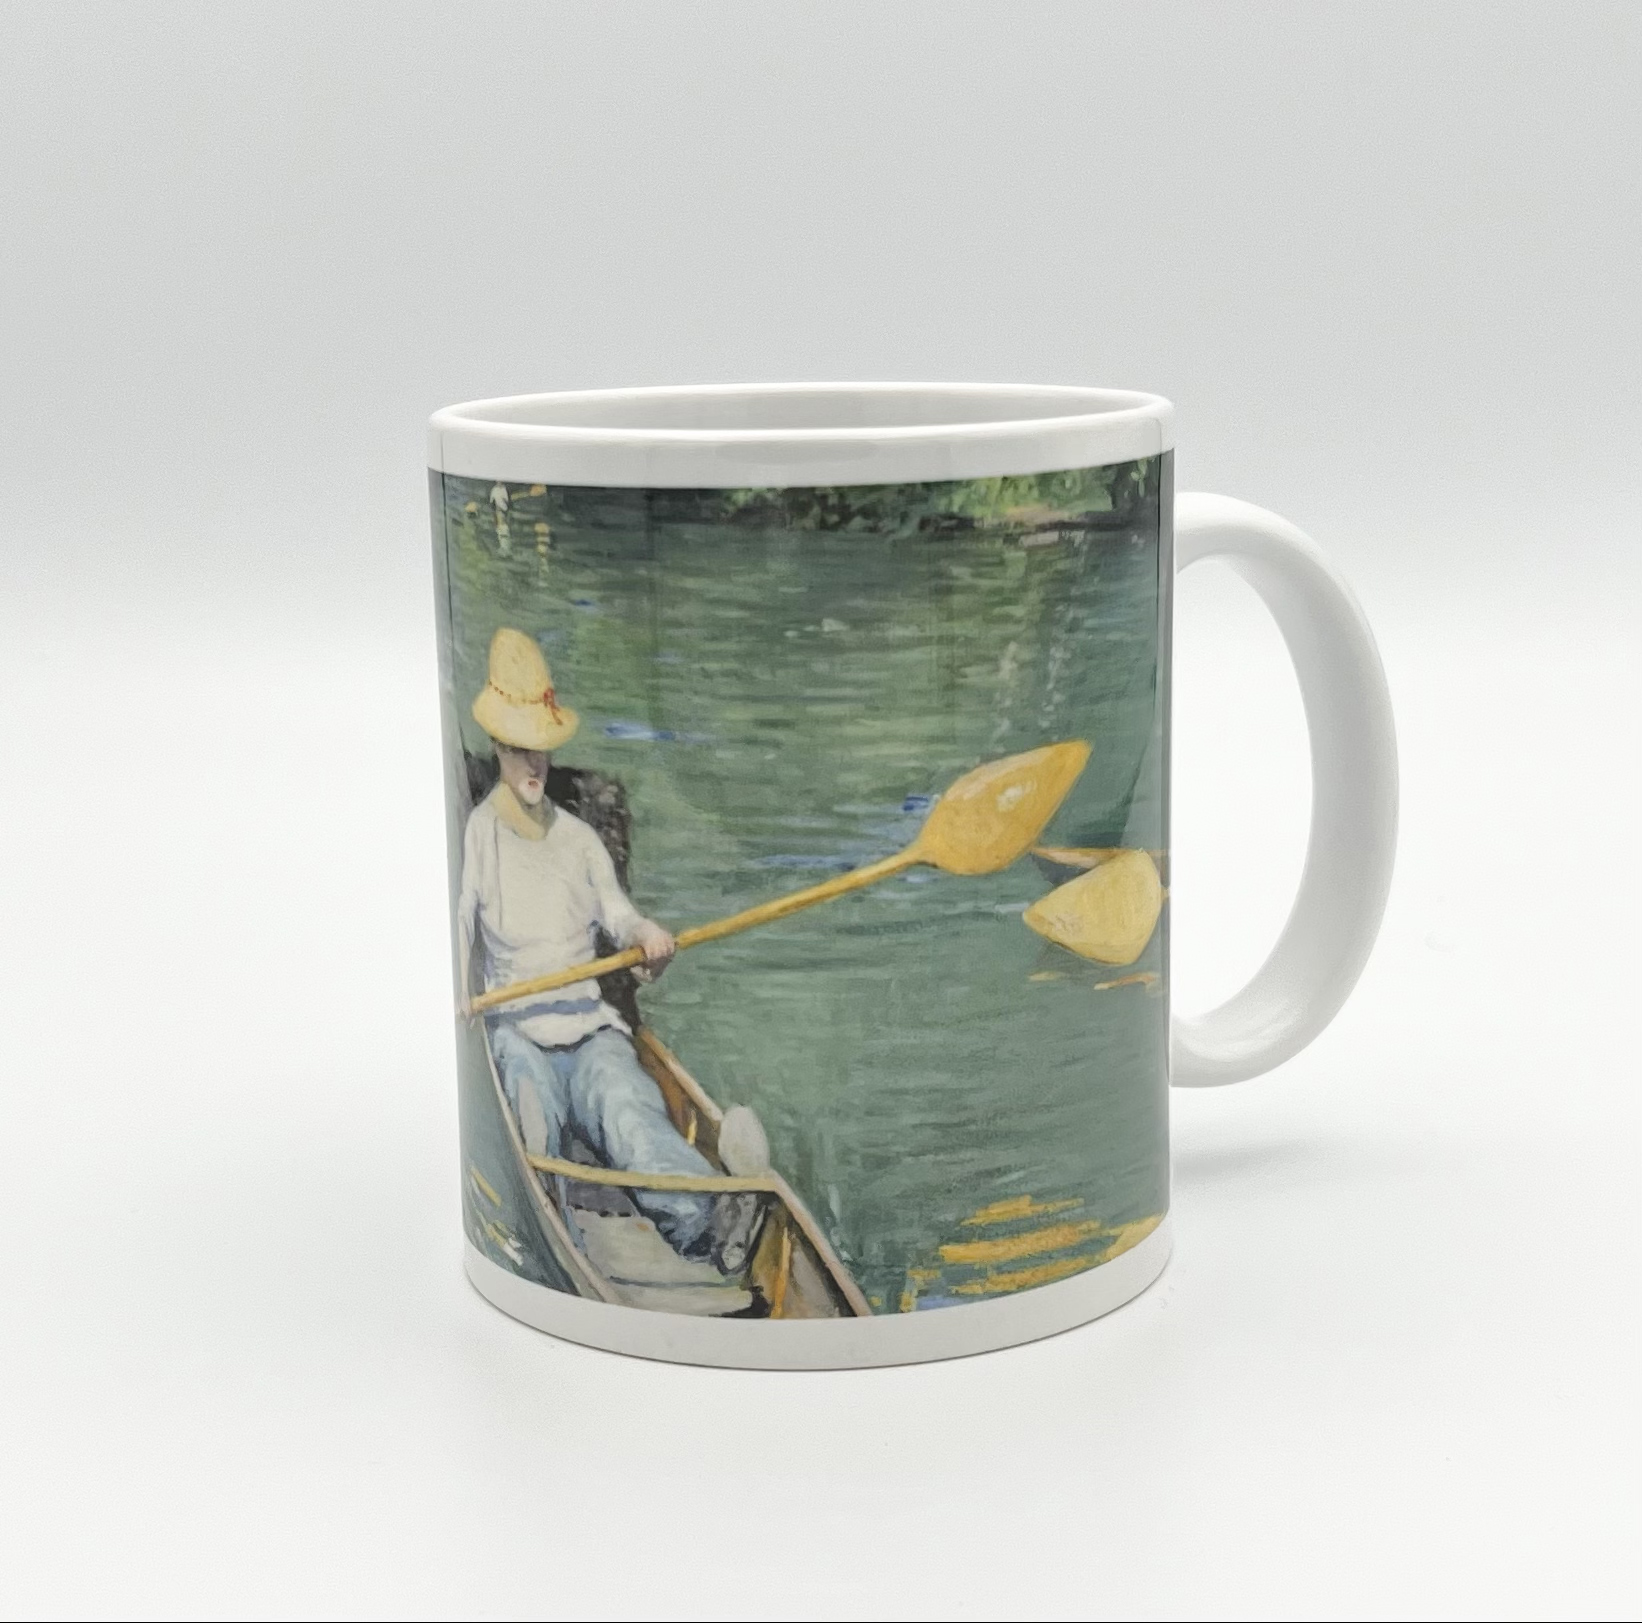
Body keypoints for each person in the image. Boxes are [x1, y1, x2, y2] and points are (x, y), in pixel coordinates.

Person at [457, 627, 761, 1272]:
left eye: (541, 751)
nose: (534, 767)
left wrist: (648, 939)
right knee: (534, 1129)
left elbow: (619, 917)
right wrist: (462, 995)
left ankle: (713, 1225)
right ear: (498, 748)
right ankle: (560, 1243)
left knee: (632, 1115)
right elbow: (463, 924)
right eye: (520, 751)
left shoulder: (577, 840)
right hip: (515, 1032)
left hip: (589, 1030)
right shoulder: (480, 834)